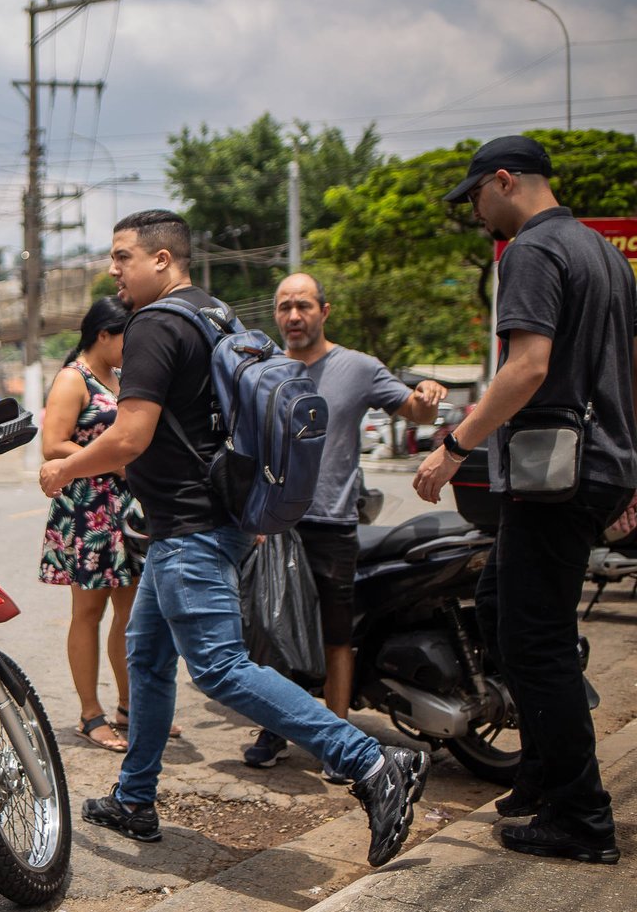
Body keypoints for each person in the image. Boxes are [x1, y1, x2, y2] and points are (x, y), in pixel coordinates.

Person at [38, 209, 428, 868]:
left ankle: (373, 760)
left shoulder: (156, 324)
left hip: (192, 526)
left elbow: (130, 435)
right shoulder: (212, 312)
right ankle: (135, 797)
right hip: (194, 521)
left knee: (219, 668)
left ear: (163, 259)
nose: (114, 269)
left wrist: (63, 467)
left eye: (122, 255)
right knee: (149, 658)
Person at [415, 136, 636, 865]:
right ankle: (540, 775)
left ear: (505, 181)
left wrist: (455, 445)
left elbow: (528, 366)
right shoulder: (604, 254)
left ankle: (581, 814)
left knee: (537, 642)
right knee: (506, 611)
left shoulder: (532, 253)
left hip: (556, 472)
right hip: (592, 467)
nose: (479, 215)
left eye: (477, 197)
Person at [243, 273, 448, 778]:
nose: (294, 316)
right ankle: (275, 728)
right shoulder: (262, 370)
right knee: (271, 631)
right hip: (274, 524)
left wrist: (427, 394)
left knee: (338, 635)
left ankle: (337, 742)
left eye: (304, 306)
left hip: (333, 522)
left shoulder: (358, 367)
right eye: (285, 307)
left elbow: (414, 411)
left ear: (324, 311)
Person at [40, 296, 175, 751]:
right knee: (89, 613)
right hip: (87, 509)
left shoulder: (115, 378)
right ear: (103, 335)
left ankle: (129, 706)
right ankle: (90, 715)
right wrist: (107, 463)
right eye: (126, 338)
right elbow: (52, 445)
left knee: (130, 614)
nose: (131, 349)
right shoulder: (71, 378)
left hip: (125, 511)